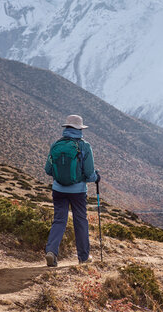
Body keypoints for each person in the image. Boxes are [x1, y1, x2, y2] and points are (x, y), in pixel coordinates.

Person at [44, 114, 100, 267]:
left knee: (59, 220)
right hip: (78, 192)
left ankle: (51, 251)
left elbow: (48, 170)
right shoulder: (84, 146)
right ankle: (83, 257)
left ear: (66, 128)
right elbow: (89, 174)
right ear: (80, 129)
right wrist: (96, 177)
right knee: (80, 221)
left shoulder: (56, 144)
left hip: (58, 190)